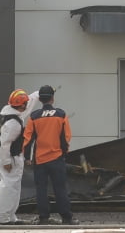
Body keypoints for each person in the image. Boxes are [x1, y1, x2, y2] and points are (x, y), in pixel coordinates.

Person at [23, 84, 74, 225]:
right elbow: (66, 137)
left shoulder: (34, 116)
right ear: (52, 98)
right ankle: (66, 218)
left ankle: (44, 218)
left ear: (40, 99)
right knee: (60, 189)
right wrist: (64, 153)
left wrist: (27, 157)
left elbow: (28, 139)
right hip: (57, 158)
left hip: (40, 160)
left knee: (41, 190)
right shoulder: (61, 114)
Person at [0, 89, 36, 224]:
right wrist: (6, 162)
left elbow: (28, 104)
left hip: (12, 157)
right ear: (21, 105)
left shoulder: (15, 115)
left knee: (13, 188)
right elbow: (5, 144)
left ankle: (10, 216)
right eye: (25, 103)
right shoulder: (13, 124)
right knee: (9, 189)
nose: (26, 105)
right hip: (10, 159)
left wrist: (38, 94)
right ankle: (1, 217)